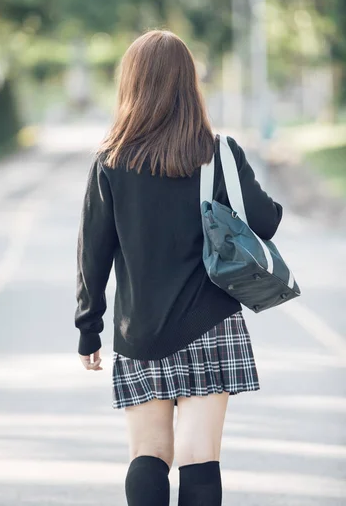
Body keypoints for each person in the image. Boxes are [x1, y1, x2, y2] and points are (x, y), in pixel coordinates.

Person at [74, 30, 283, 506]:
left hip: (140, 330)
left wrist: (89, 329)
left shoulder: (111, 160)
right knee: (199, 455)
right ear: (190, 83)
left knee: (148, 451)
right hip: (210, 323)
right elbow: (265, 222)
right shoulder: (218, 152)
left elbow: (93, 254)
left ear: (131, 84)